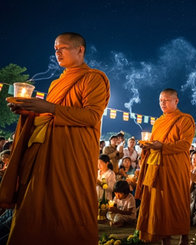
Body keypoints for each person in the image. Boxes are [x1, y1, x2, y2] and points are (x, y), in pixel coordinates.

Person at [0, 32, 110, 244]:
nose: (57, 52)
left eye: (63, 47)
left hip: (70, 156)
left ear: (80, 50)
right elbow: (49, 116)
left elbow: (91, 117)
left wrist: (48, 107)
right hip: (43, 152)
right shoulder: (57, 84)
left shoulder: (93, 78)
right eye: (55, 49)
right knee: (32, 206)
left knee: (68, 208)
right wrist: (28, 111)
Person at [136, 88, 195, 244]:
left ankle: (184, 235)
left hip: (175, 166)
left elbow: (184, 144)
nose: (163, 103)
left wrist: (162, 147)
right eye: (161, 100)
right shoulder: (159, 121)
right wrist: (147, 147)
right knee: (159, 203)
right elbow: (155, 143)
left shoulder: (185, 119)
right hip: (157, 166)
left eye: (166, 100)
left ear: (176, 101)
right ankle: (163, 237)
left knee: (177, 200)